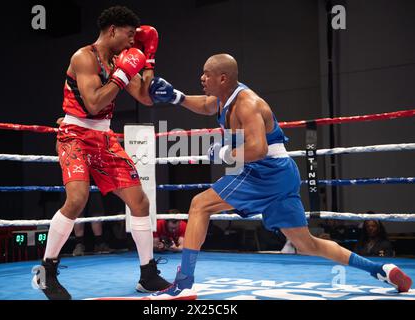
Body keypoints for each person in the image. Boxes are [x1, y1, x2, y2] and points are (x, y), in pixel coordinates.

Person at [147, 53, 412, 299]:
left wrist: (224, 154)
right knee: (306, 243)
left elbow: (259, 149)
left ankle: (183, 283)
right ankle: (379, 269)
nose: (201, 79)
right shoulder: (224, 98)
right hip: (281, 173)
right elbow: (206, 105)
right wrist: (176, 97)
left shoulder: (247, 104)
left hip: (265, 171)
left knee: (199, 204)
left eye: (206, 74)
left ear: (223, 78)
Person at [32, 6, 170, 300]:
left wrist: (148, 62)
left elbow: (145, 98)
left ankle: (148, 274)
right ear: (112, 30)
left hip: (103, 137)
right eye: (129, 35)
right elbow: (93, 103)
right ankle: (47, 272)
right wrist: (122, 74)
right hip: (75, 135)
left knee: (139, 201)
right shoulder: (84, 57)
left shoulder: (122, 59)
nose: (132, 42)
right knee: (77, 198)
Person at [55, 117, 113, 256]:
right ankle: (79, 244)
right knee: (76, 208)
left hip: (93, 175)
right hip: (75, 173)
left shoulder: (92, 128)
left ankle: (99, 243)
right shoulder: (65, 130)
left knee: (96, 210)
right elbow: (59, 150)